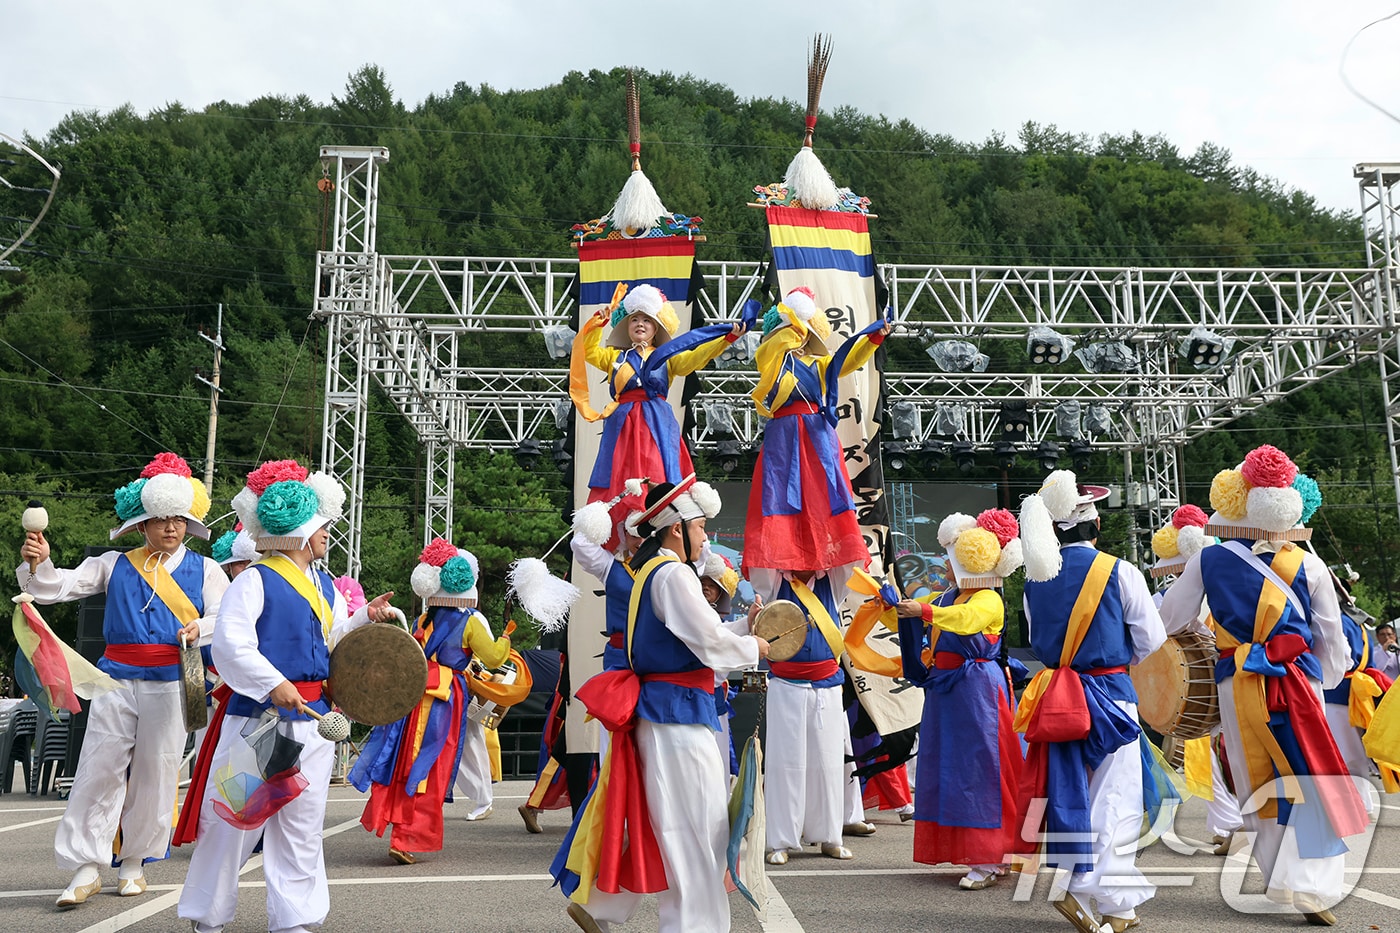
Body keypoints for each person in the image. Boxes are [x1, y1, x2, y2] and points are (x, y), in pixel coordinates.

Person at [176, 460, 396, 933]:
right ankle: (208, 916)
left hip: (312, 719)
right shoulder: (254, 579)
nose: (326, 534)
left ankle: (293, 919)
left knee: (301, 825)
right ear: (296, 532)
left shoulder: (323, 584)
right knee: (234, 820)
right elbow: (232, 644)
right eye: (320, 526)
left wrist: (364, 619)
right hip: (259, 717)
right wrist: (272, 682)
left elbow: (332, 639)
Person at [1159, 447, 1368, 926]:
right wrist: (1330, 675)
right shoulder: (1310, 566)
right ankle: (1311, 882)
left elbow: (1171, 619)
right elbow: (1331, 639)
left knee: (1256, 776)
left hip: (1237, 679)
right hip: (1298, 681)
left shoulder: (1207, 562)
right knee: (1309, 769)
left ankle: (1279, 876)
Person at [554, 476, 769, 933]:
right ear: (676, 529)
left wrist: (744, 633)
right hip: (677, 717)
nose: (706, 535)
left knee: (664, 822)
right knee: (697, 832)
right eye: (700, 527)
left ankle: (602, 906)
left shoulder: (653, 572)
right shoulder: (673, 575)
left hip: (667, 711)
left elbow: (693, 641)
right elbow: (708, 644)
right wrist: (755, 649)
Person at [17, 453, 225, 907]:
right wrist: (39, 564)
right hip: (115, 678)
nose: (170, 527)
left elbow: (224, 616)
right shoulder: (114, 563)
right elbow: (56, 588)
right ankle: (86, 866)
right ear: (141, 524)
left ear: (188, 525)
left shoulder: (206, 570)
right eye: (160, 520)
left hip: (175, 677)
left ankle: (134, 862)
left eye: (178, 520)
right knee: (98, 767)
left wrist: (201, 629)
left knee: (158, 769)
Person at [741, 286, 888, 867]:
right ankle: (779, 839)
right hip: (784, 451)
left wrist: (872, 335)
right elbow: (765, 376)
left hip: (820, 455)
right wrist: (782, 325)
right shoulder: (774, 363)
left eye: (806, 327)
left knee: (830, 757)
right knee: (786, 760)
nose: (804, 334)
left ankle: (830, 832)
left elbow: (848, 353)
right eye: (798, 326)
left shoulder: (822, 367)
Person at [1016, 471, 1165, 933]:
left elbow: (1038, 642)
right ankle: (1104, 899)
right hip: (1112, 697)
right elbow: (1151, 640)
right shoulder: (1121, 571)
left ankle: (1092, 891)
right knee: (1115, 801)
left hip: (1058, 698)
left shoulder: (1032, 583)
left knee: (1070, 793)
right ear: (1095, 527)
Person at [353, 540, 511, 861]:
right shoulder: (468, 622)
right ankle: (407, 838)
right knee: (429, 768)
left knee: (404, 762)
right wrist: (506, 638)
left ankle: (397, 828)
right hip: (445, 699)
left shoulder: (422, 621)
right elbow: (494, 658)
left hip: (414, 697)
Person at [893, 508, 1025, 891]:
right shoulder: (950, 594)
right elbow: (926, 615)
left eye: (951, 553)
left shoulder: (988, 598)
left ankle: (991, 856)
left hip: (978, 690)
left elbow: (962, 620)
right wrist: (891, 607)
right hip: (948, 689)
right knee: (950, 767)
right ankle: (974, 851)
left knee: (981, 769)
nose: (945, 561)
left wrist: (924, 610)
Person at [571, 283, 744, 548]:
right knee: (622, 475)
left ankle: (660, 520)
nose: (640, 324)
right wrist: (598, 322)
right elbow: (589, 350)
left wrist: (725, 339)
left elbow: (695, 357)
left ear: (656, 327)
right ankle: (625, 532)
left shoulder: (667, 358)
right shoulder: (615, 356)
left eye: (647, 320)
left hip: (657, 425)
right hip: (623, 426)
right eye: (635, 319)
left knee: (657, 471)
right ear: (627, 326)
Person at [1148, 505, 1242, 857]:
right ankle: (1229, 824)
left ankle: (1233, 824)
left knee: (1219, 758)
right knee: (1212, 759)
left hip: (1215, 683)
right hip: (1199, 687)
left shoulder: (1199, 591)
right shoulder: (1185, 592)